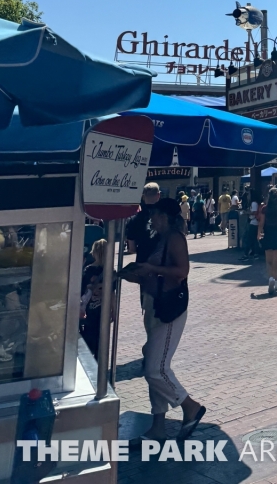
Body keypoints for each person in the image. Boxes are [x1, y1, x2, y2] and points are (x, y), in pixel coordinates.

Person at [120, 198, 206, 443]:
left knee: (155, 368)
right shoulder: (159, 239)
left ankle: (190, 406)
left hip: (171, 308)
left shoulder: (175, 238)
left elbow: (181, 272)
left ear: (167, 217)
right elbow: (152, 274)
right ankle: (158, 425)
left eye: (156, 215)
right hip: (155, 305)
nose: (152, 219)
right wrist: (133, 274)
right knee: (153, 361)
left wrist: (150, 268)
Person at [257, 186, 277, 293]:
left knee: (268, 260)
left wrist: (258, 234)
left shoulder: (264, 209)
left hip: (268, 234)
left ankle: (270, 278)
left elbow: (261, 223)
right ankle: (276, 281)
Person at [79, 239, 107, 359]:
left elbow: (82, 289)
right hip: (103, 309)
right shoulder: (109, 271)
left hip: (89, 308)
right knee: (101, 338)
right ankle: (99, 362)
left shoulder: (89, 269)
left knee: (89, 335)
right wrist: (113, 311)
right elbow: (112, 293)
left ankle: (89, 361)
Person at [126, 183, 161, 260]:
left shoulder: (134, 219)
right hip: (163, 265)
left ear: (143, 196)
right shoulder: (167, 216)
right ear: (158, 195)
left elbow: (132, 249)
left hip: (143, 263)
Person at [245, 190, 261, 259]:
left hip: (253, 222)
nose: (248, 196)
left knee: (250, 238)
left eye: (248, 194)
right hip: (254, 222)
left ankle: (247, 254)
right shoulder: (255, 203)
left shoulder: (254, 203)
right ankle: (255, 253)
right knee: (254, 239)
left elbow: (254, 212)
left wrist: (247, 212)